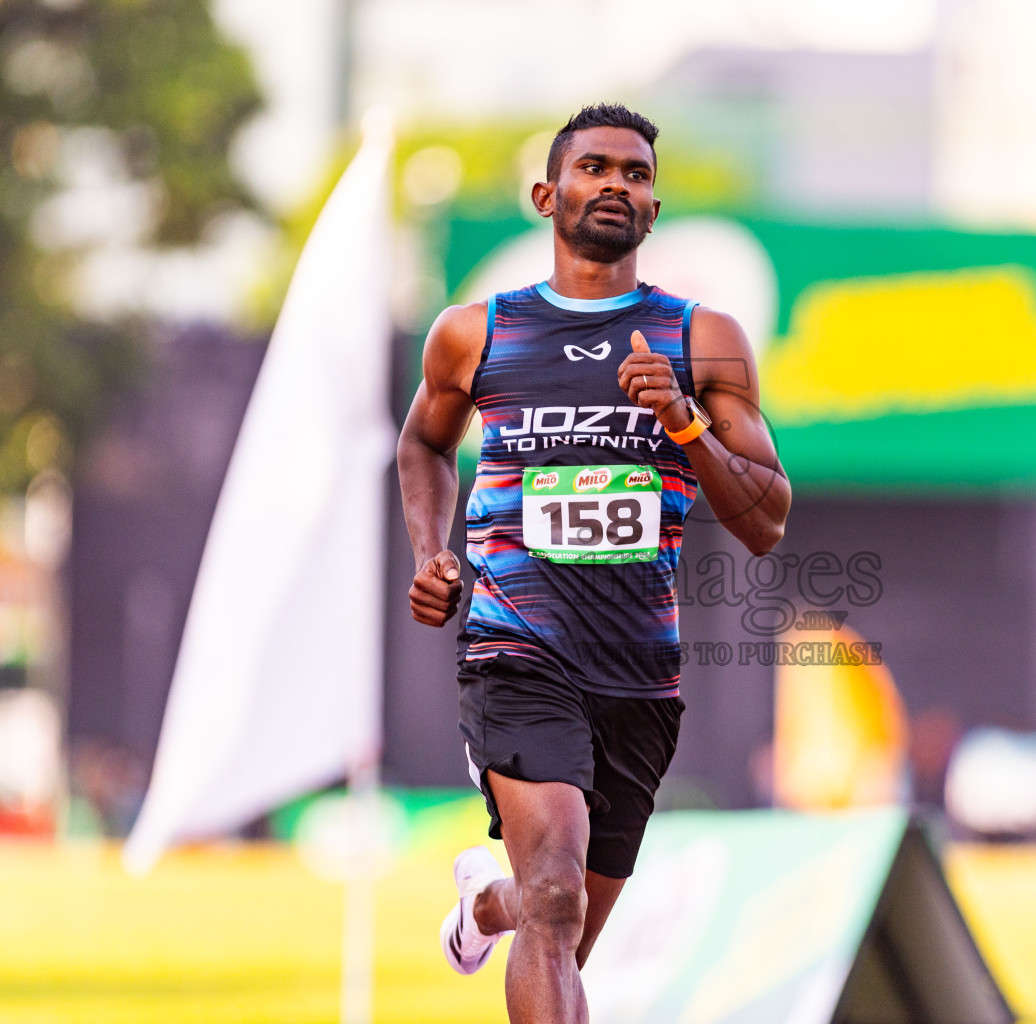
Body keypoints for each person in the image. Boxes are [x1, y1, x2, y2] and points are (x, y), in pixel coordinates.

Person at [396, 103, 791, 1024]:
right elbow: (421, 445)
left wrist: (686, 424)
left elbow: (767, 520)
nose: (617, 183)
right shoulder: (476, 333)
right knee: (558, 897)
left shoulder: (704, 340)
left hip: (639, 677)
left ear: (654, 211)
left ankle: (480, 906)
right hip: (515, 652)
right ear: (547, 194)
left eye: (637, 175)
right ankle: (510, 902)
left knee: (555, 919)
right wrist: (432, 553)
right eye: (595, 168)